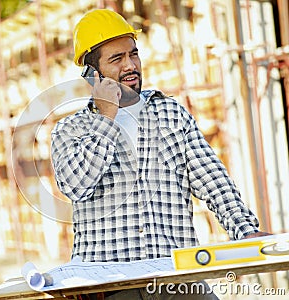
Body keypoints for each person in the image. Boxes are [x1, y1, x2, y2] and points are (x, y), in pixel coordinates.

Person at [50, 9, 269, 299]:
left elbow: (212, 178)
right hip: (110, 286)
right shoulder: (70, 129)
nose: (130, 65)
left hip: (176, 277)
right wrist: (106, 119)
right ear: (93, 74)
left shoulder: (171, 114)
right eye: (117, 59)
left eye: (133, 54)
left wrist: (244, 230)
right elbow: (75, 185)